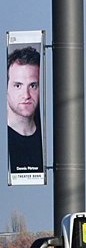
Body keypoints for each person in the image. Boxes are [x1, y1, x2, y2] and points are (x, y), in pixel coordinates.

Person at [7, 47, 43, 176]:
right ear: (6, 89)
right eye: (18, 86)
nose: (26, 95)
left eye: (32, 86)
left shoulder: (50, 134)